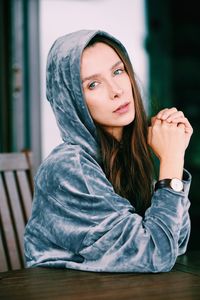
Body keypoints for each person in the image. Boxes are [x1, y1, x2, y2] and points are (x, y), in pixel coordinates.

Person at [24, 29, 193, 273]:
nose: (117, 90)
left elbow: (176, 243)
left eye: (118, 71)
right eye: (93, 84)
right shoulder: (68, 166)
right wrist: (172, 160)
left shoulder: (124, 152)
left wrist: (172, 157)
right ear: (71, 100)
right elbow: (155, 254)